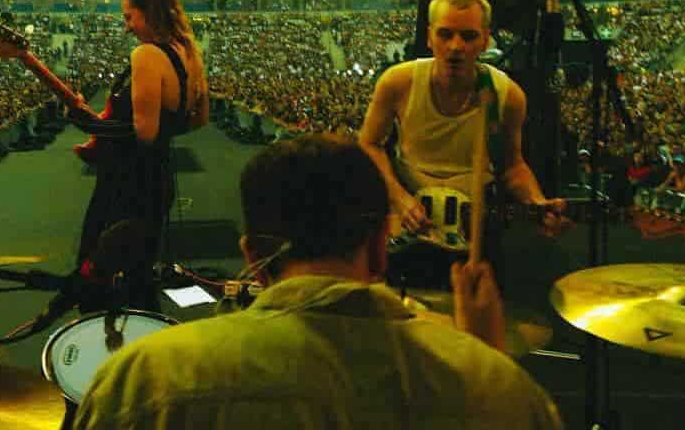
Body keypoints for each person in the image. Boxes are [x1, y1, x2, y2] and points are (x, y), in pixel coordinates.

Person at [72, 134, 562, 430]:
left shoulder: (141, 380)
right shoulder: (502, 390)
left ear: (254, 258)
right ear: (377, 247)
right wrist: (485, 359)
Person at [358, 0, 566, 287]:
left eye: (468, 36)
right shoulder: (398, 83)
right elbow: (368, 144)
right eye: (445, 34)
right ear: (429, 37)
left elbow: (512, 165)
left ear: (485, 39)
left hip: (476, 233)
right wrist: (400, 199)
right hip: (410, 230)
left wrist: (537, 201)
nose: (455, 46)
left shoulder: (506, 96)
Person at [68, 0, 209, 311]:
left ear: (151, 13)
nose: (126, 26)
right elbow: (199, 118)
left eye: (130, 17)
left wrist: (84, 121)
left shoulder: (146, 54)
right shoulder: (189, 50)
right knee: (139, 273)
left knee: (97, 271)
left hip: (126, 184)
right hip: (158, 178)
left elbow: (142, 133)